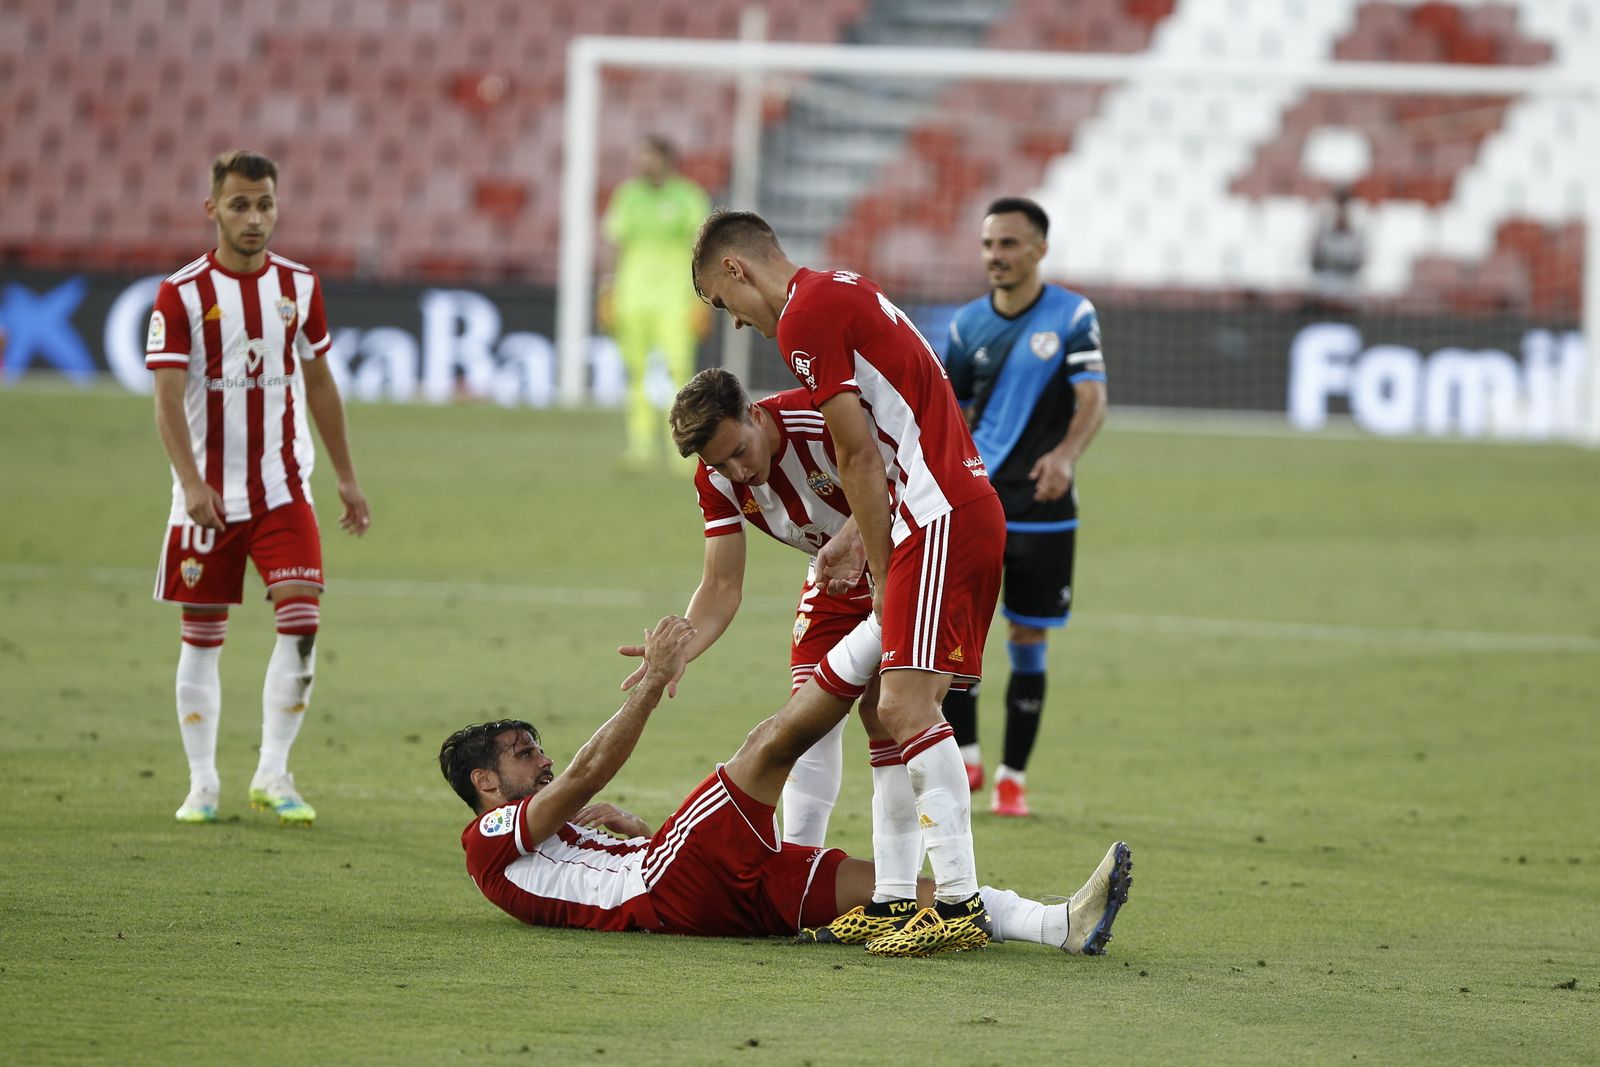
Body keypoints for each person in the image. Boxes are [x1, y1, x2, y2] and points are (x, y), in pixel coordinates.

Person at [441, 614, 1133, 955]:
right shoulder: (487, 836)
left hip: (701, 899)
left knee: (897, 894)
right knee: (769, 744)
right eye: (524, 754)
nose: (543, 761)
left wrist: (626, 831)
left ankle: (1056, 925)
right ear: (485, 782)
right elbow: (592, 768)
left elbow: (582, 858)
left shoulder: (543, 836)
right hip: (666, 884)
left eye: (538, 748)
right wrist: (653, 679)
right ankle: (890, 616)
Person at [691, 209, 1006, 956]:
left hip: (937, 512)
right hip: (947, 507)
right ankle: (897, 898)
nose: (731, 323)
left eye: (718, 300)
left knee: (903, 702)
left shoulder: (807, 316)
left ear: (737, 269)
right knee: (884, 715)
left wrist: (883, 563)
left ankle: (958, 900)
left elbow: (859, 457)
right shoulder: (836, 293)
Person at [146, 150, 371, 826]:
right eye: (240, 204)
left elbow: (321, 384)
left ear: (277, 207)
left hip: (282, 489)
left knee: (302, 624)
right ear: (212, 208)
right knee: (202, 637)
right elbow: (163, 400)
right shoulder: (180, 293)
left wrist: (346, 476)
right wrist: (188, 482)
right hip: (207, 498)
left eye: (265, 203)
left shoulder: (300, 287)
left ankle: (274, 771)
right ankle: (203, 781)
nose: (254, 217)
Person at [614, 366, 875, 848]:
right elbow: (720, 583)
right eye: (720, 465)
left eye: (739, 452)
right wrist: (679, 651)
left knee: (893, 718)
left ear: (755, 414)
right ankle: (801, 866)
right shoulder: (717, 481)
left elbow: (903, 476)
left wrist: (853, 537)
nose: (739, 473)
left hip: (910, 562)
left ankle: (919, 887)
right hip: (833, 582)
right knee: (807, 721)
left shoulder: (819, 420)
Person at [939, 197, 1108, 819]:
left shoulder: (1071, 316)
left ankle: (1012, 777)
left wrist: (1065, 455)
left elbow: (1092, 400)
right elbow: (949, 411)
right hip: (978, 502)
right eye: (988, 245)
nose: (996, 257)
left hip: (1044, 504)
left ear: (1038, 249)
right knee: (960, 633)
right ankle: (971, 755)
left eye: (1008, 244)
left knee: (1027, 635)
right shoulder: (964, 328)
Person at [600, 135, 712, 471]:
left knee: (679, 371)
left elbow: (701, 249)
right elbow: (614, 244)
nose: (642, 163)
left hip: (675, 299)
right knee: (635, 372)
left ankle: (681, 448)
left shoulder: (689, 197)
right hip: (632, 296)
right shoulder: (628, 196)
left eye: (648, 157)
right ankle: (640, 446)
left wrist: (703, 298)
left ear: (666, 158)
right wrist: (608, 290)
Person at [1308, 186, 1365, 312]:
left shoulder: (1357, 229)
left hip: (1349, 283)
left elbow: (1358, 261)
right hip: (1324, 280)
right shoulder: (1323, 225)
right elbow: (1316, 258)